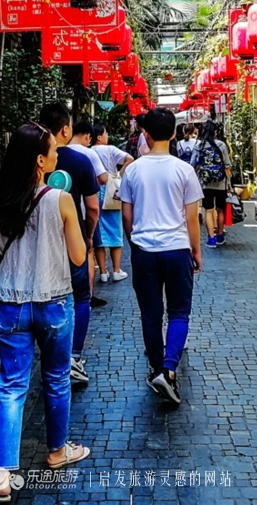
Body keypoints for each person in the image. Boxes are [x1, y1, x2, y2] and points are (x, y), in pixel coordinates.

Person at [0, 123, 90, 502]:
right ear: (40, 160)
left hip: (11, 305)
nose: (59, 155)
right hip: (54, 303)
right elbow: (78, 257)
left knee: (11, 387)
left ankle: (3, 475)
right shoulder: (58, 199)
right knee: (57, 380)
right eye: (54, 150)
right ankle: (58, 452)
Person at [119, 108, 204, 405]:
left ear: (146, 134)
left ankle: (157, 368)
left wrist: (135, 243)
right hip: (177, 248)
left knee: (150, 314)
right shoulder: (184, 171)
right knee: (179, 312)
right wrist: (196, 250)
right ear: (172, 134)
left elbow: (126, 218)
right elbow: (192, 219)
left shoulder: (133, 170)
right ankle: (169, 370)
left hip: (144, 251)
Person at [38, 104, 99, 385]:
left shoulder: (28, 158)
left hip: (36, 242)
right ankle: (72, 356)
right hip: (69, 240)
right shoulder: (79, 160)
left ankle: (51, 356)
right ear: (65, 129)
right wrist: (87, 238)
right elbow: (93, 208)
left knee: (45, 298)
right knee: (80, 297)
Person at [67, 121, 109, 308]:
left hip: (57, 214)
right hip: (82, 213)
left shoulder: (56, 151)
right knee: (87, 253)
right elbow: (103, 178)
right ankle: (87, 295)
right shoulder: (88, 153)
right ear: (88, 136)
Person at [91, 124, 134, 282]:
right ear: (99, 137)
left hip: (93, 191)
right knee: (115, 229)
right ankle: (116, 270)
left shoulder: (88, 151)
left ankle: (103, 272)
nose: (107, 135)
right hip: (110, 191)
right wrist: (118, 176)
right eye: (106, 133)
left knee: (99, 232)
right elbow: (129, 159)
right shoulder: (110, 149)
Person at [191, 119, 232, 248]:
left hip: (205, 182)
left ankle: (211, 239)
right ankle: (220, 235)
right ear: (215, 132)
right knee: (221, 210)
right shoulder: (221, 145)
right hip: (221, 182)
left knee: (208, 210)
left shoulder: (199, 145)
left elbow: (193, 164)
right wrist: (230, 183)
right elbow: (227, 165)